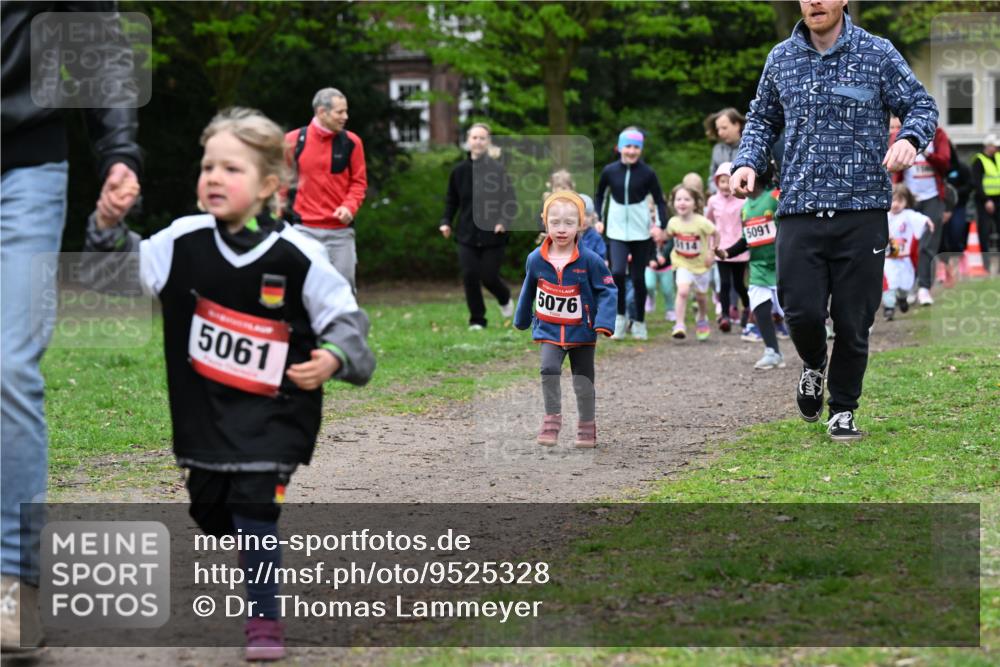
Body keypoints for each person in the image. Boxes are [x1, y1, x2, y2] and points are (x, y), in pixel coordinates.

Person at [85, 108, 376, 661]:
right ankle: (237, 525)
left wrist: (334, 357)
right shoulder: (181, 242)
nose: (214, 177)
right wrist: (105, 226)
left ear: (270, 185)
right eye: (208, 166)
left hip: (277, 415)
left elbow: (347, 322)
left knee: (256, 505)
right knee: (214, 511)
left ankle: (264, 619)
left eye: (231, 168)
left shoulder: (300, 255)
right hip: (205, 420)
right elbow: (111, 277)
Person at [1, 2, 143, 653]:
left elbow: (97, 39)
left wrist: (117, 149)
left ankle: (11, 584)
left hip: (24, 165)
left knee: (8, 364)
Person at [731, 0, 938, 441]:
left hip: (861, 210)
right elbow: (762, 119)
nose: (815, 2)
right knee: (802, 312)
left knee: (853, 319)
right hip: (799, 209)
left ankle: (843, 409)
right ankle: (813, 364)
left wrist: (910, 138)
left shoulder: (876, 53)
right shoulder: (781, 58)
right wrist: (746, 161)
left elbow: (921, 106)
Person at [513, 191, 617, 448]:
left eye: (569, 223)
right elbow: (529, 288)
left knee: (583, 381)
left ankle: (586, 426)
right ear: (544, 221)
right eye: (555, 222)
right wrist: (522, 318)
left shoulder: (590, 260)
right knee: (548, 369)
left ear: (581, 224)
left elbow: (608, 289)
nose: (561, 229)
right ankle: (552, 418)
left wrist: (604, 321)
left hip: (582, 331)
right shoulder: (536, 258)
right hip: (548, 328)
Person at [284, 88, 368, 292]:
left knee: (344, 291)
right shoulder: (293, 141)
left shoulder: (352, 143)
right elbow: (280, 184)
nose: (345, 117)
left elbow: (359, 183)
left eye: (346, 111)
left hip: (340, 232)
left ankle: (345, 325)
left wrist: (349, 207)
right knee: (302, 289)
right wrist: (274, 222)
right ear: (322, 112)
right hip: (303, 231)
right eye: (339, 112)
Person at [439, 123, 517, 330]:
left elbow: (510, 200)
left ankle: (504, 296)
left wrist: (503, 221)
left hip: (494, 234)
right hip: (466, 234)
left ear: (488, 142)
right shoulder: (459, 172)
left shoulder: (498, 170)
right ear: (468, 140)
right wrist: (446, 221)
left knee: (489, 276)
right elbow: (451, 201)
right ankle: (477, 319)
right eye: (475, 138)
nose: (478, 142)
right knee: (470, 275)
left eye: (482, 138)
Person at [595, 128, 668, 341]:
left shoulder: (647, 173)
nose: (632, 151)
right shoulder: (609, 171)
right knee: (616, 272)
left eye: (636, 147)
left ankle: (639, 321)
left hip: (641, 232)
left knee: (638, 279)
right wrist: (598, 219)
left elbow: (660, 200)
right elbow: (600, 195)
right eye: (628, 146)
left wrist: (660, 225)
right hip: (616, 231)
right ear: (619, 148)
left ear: (641, 149)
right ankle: (619, 318)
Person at [716, 167, 786, 369]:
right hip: (758, 267)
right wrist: (726, 253)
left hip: (782, 264)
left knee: (793, 312)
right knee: (759, 305)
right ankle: (772, 351)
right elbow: (747, 239)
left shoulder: (775, 197)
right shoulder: (745, 207)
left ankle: (814, 353)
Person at [889, 116, 951, 306]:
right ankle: (904, 288)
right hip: (908, 198)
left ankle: (924, 288)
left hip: (932, 197)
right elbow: (893, 163)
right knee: (903, 246)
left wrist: (927, 153)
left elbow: (945, 162)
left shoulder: (938, 135)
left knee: (928, 245)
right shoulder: (902, 135)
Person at [665, 184, 718, 341]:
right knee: (682, 291)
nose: (682, 202)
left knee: (701, 297)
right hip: (682, 262)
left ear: (695, 203)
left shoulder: (702, 222)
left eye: (687, 199)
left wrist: (711, 252)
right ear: (673, 203)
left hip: (702, 265)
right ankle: (679, 324)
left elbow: (716, 234)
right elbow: (667, 237)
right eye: (678, 199)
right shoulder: (673, 222)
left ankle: (702, 318)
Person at [705, 162, 751, 332]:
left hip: (739, 249)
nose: (725, 185)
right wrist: (711, 245)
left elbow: (748, 222)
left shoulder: (743, 200)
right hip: (720, 248)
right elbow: (708, 222)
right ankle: (725, 316)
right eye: (722, 181)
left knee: (739, 284)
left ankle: (747, 308)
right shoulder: (713, 201)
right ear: (717, 182)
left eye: (729, 181)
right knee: (724, 284)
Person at [883, 184, 933, 320]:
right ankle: (889, 307)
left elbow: (920, 218)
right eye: (893, 200)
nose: (896, 204)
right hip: (888, 258)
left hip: (904, 258)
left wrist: (928, 222)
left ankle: (902, 297)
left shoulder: (909, 215)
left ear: (906, 202)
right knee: (889, 283)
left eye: (900, 201)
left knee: (905, 283)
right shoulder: (884, 216)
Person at [971, 133, 1000, 261]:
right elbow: (977, 183)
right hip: (984, 201)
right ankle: (986, 262)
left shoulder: (998, 157)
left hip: (998, 199)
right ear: (988, 146)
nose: (997, 149)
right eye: (995, 146)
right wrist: (986, 200)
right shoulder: (979, 160)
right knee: (985, 231)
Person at [705, 108, 746, 194]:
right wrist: (718, 192)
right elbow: (712, 178)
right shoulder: (717, 149)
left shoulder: (749, 147)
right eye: (718, 129)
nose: (720, 133)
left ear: (737, 125)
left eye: (724, 128)